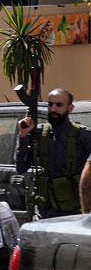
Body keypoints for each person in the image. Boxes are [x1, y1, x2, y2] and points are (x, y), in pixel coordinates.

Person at [16, 88, 91, 218]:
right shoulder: (39, 134)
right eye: (50, 104)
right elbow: (21, 167)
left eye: (59, 105)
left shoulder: (82, 135)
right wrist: (23, 136)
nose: (54, 109)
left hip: (74, 212)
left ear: (70, 108)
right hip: (45, 211)